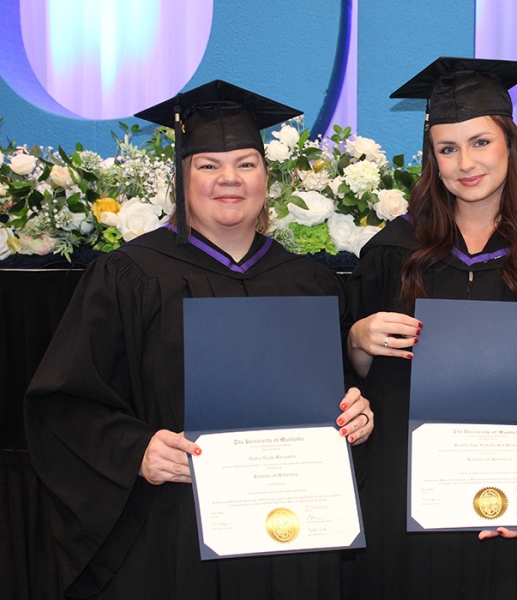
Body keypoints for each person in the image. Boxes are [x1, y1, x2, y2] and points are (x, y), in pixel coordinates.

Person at [24, 80, 373, 600]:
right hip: (174, 534)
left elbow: (332, 393)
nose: (229, 179)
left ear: (267, 178)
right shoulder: (130, 276)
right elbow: (64, 402)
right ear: (180, 180)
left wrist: (355, 412)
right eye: (208, 165)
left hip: (294, 533)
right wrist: (136, 448)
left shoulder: (307, 281)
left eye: (246, 163)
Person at [345, 58, 517, 599]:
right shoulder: (394, 252)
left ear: (509, 143)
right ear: (432, 158)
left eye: (480, 142)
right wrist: (357, 341)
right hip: (408, 495)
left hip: (516, 504)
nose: (466, 163)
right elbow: (352, 384)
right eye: (448, 149)